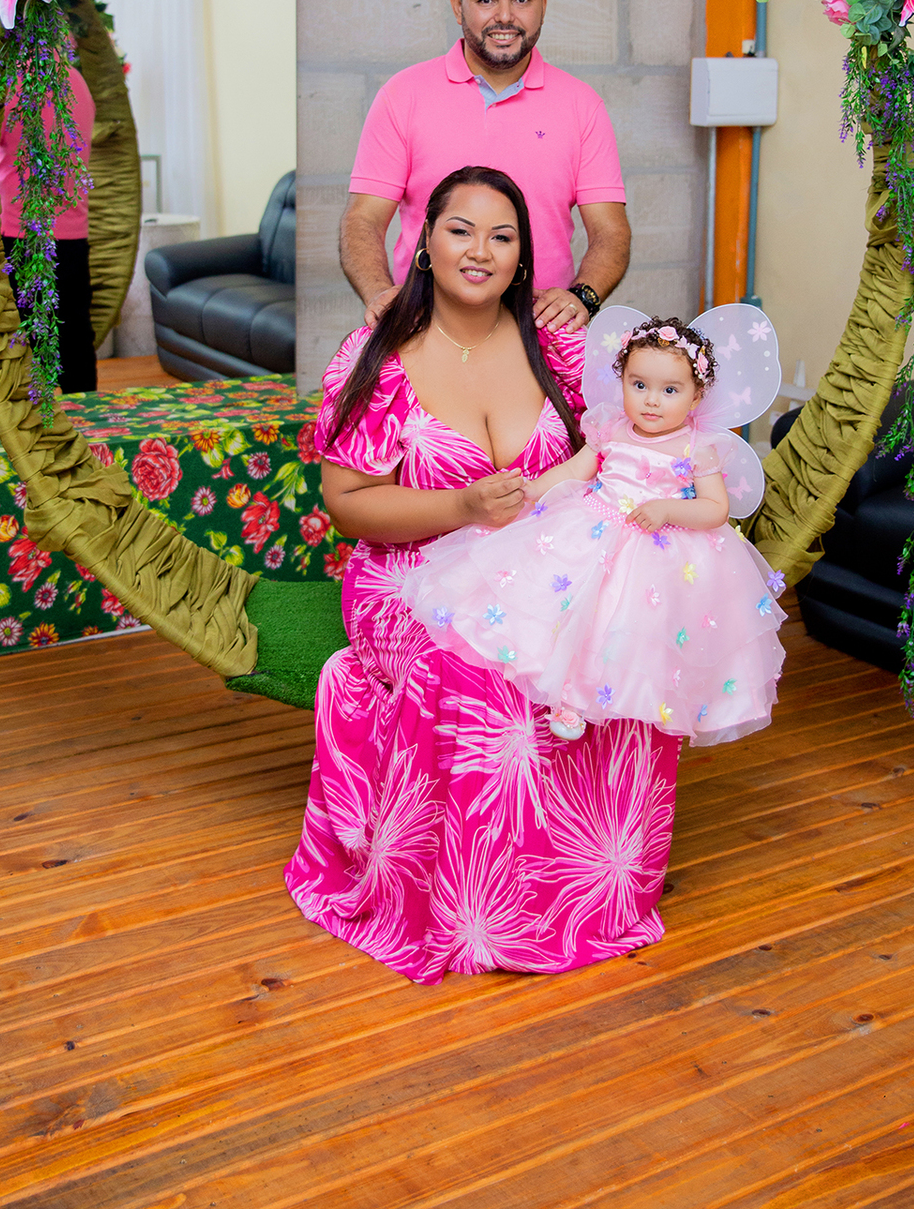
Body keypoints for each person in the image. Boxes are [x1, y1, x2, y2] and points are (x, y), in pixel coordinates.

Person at [284, 165, 683, 985]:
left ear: (523, 257)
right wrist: (463, 506)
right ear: (423, 245)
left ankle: (582, 891)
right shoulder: (379, 355)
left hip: (554, 565)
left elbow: (639, 432)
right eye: (460, 230)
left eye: (502, 236)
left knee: (626, 637)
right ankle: (480, 909)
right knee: (479, 664)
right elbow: (349, 504)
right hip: (412, 574)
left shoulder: (563, 348)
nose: (480, 250)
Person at [401, 315, 788, 743]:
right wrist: (532, 490)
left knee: (624, 623)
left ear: (696, 397)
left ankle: (608, 697)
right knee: (575, 609)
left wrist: (665, 509)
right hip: (595, 527)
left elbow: (716, 509)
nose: (652, 401)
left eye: (670, 390)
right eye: (639, 385)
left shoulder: (697, 447)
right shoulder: (611, 428)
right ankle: (567, 696)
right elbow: (576, 470)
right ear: (622, 381)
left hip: (658, 550)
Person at [340, 0, 630, 336]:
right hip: (424, 333)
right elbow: (364, 218)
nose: (506, 16)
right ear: (459, 6)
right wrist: (379, 293)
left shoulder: (583, 106)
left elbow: (611, 231)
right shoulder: (402, 96)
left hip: (540, 338)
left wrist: (583, 297)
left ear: (543, 4)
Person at [0, 57, 97, 394]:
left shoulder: (10, 82)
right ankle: (88, 430)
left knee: (19, 344)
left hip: (22, 235)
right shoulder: (76, 81)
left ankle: (26, 435)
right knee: (75, 340)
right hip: (72, 234)